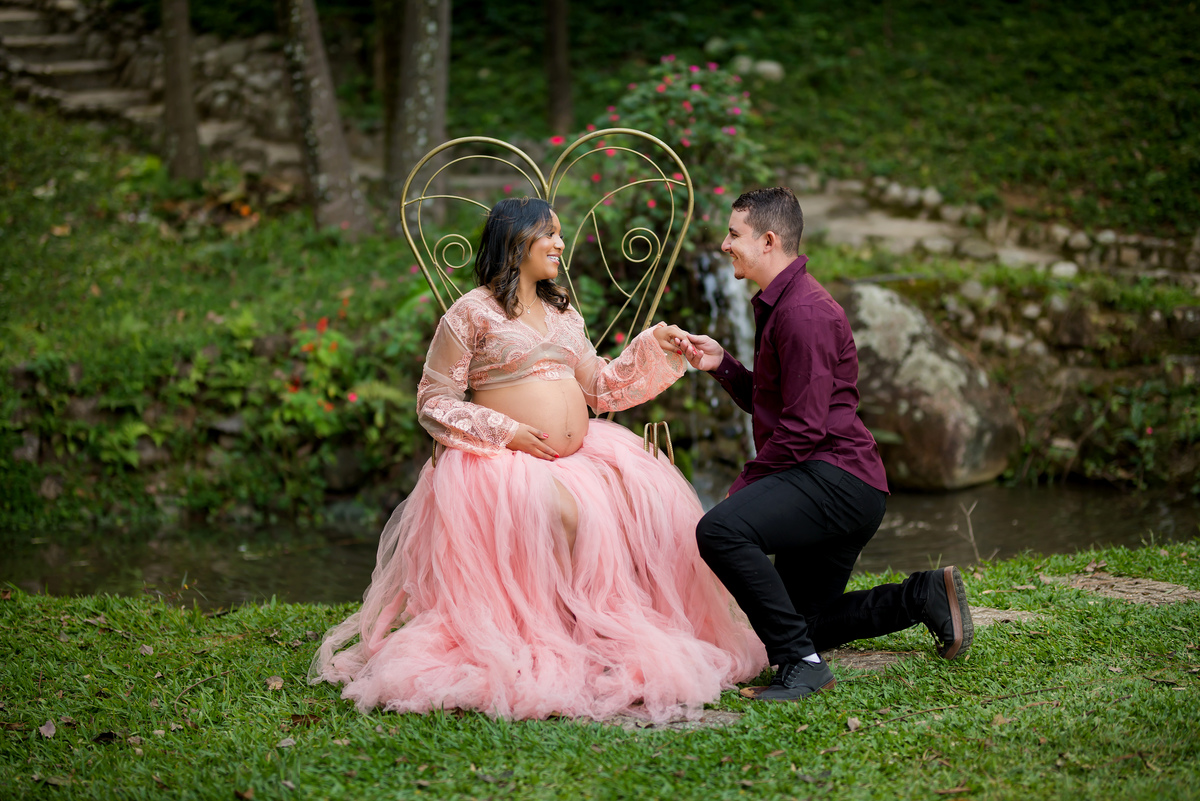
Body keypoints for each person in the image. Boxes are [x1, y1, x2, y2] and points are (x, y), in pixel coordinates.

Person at [309, 197, 766, 722]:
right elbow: (433, 400)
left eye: (559, 234)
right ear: (516, 240)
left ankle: (602, 633)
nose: (559, 244)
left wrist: (652, 346)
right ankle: (550, 638)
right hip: (498, 458)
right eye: (549, 234)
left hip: (576, 453)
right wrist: (507, 432)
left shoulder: (562, 311)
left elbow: (601, 387)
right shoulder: (471, 313)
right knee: (564, 511)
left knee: (649, 496)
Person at [676, 187, 973, 703]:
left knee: (721, 531)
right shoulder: (784, 303)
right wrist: (722, 364)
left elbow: (804, 429)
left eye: (733, 234)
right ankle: (921, 596)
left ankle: (803, 668)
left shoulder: (804, 313)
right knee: (802, 624)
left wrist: (743, 488)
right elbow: (782, 404)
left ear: (768, 240)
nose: (725, 245)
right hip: (835, 479)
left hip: (834, 479)